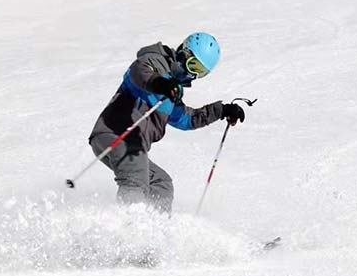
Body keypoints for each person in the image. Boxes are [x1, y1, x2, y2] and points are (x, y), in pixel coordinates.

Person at [88, 32, 246, 213]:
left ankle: (156, 230)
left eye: (200, 73)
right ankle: (126, 230)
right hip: (116, 132)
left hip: (128, 145)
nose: (192, 74)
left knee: (161, 183)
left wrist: (221, 111)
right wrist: (160, 84)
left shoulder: (173, 91)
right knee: (136, 178)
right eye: (192, 65)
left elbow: (185, 119)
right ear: (183, 52)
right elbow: (139, 72)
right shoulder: (156, 62)